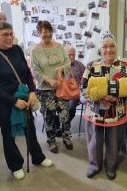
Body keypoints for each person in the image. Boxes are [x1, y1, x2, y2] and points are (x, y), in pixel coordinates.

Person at [0, 21, 52, 180]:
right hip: (4, 102)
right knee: (8, 135)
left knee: (30, 130)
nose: (9, 37)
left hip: (23, 98)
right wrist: (14, 101)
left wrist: (32, 92)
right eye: (5, 35)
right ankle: (15, 165)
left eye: (11, 33)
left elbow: (27, 72)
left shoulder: (17, 50)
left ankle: (38, 157)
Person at [80, 32, 127, 180]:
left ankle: (111, 166)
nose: (108, 50)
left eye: (111, 46)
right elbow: (83, 89)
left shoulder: (125, 68)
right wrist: (98, 97)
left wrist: (116, 98)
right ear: (100, 50)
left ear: (116, 48)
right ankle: (95, 165)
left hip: (116, 112)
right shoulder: (91, 67)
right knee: (94, 140)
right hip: (95, 111)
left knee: (114, 141)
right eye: (105, 47)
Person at [31, 20, 72, 154]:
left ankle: (66, 137)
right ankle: (52, 141)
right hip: (45, 90)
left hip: (61, 87)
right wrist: (49, 81)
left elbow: (68, 62)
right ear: (39, 33)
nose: (48, 34)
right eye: (44, 32)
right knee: (49, 116)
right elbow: (35, 71)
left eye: (50, 31)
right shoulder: (35, 51)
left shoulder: (59, 47)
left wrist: (62, 68)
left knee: (64, 115)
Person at [54, 46, 86, 136]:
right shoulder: (59, 66)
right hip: (61, 92)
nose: (71, 57)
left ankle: (63, 127)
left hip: (74, 93)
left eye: (73, 55)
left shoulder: (79, 66)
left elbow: (86, 80)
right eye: (69, 55)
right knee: (51, 107)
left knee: (71, 108)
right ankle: (59, 123)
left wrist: (81, 94)